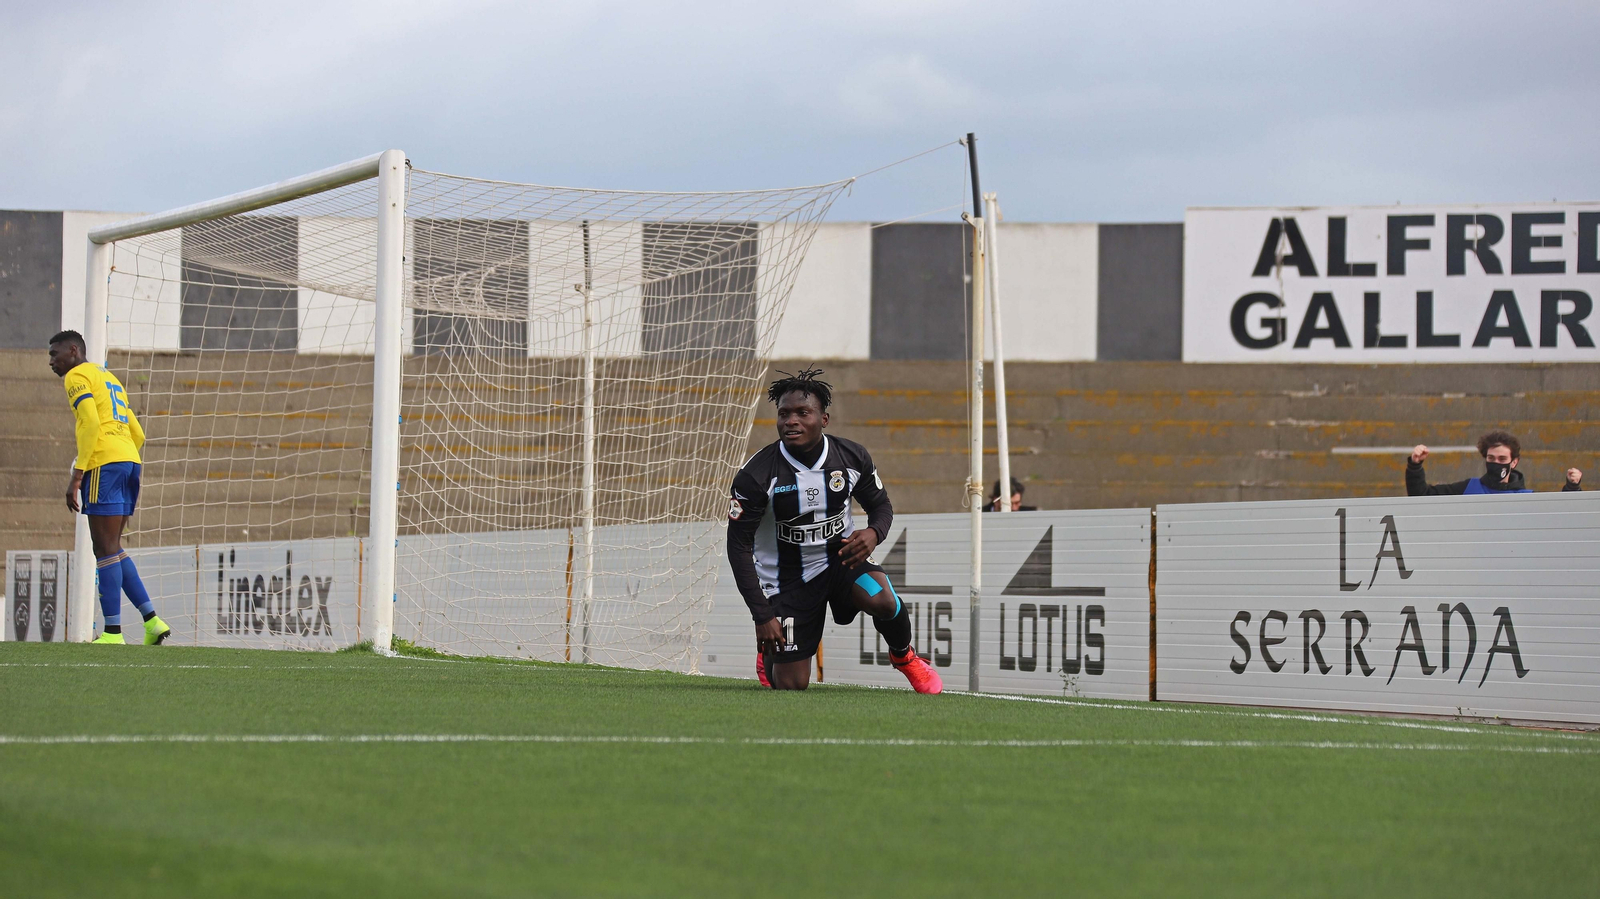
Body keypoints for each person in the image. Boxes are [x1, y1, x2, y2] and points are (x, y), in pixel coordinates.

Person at [726, 369, 941, 693]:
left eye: (802, 413)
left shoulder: (851, 457)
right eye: (783, 414)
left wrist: (874, 534)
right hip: (788, 581)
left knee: (884, 599)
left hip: (842, 562)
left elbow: (881, 506)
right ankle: (771, 654)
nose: (791, 421)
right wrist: (762, 614)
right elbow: (738, 546)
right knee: (790, 686)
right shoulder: (756, 475)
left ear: (823, 419)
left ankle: (904, 657)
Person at [48, 330, 170, 645]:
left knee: (103, 549)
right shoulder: (109, 378)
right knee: (113, 547)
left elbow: (89, 421)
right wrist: (122, 454)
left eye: (55, 354)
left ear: (73, 351)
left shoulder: (76, 376)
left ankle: (113, 633)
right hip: (130, 460)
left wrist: (78, 474)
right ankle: (152, 621)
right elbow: (138, 433)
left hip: (104, 463)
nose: (51, 361)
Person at [1406, 430, 1582, 496]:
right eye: (1491, 459)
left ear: (1514, 463)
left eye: (1502, 459)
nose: (1496, 463)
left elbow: (1563, 516)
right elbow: (1420, 495)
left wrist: (1572, 487)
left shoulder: (1527, 497)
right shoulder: (1467, 488)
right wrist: (1415, 465)